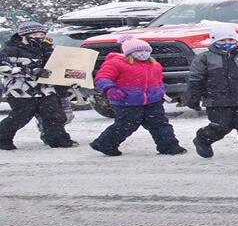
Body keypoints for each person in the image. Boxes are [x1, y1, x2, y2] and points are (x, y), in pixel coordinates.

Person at [89, 34, 186, 156]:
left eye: (146, 50)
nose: (143, 53)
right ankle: (105, 144)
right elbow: (102, 78)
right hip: (126, 101)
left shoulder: (154, 65)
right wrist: (110, 89)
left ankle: (169, 146)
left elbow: (158, 81)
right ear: (129, 53)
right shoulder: (116, 63)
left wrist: (160, 92)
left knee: (160, 124)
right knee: (125, 125)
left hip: (152, 101)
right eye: (139, 50)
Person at [186, 23, 238, 160]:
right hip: (216, 100)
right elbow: (196, 79)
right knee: (221, 126)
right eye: (222, 40)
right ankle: (203, 139)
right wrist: (193, 98)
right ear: (214, 41)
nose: (227, 43)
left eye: (231, 40)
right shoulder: (204, 58)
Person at [0, 21, 76, 150]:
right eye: (35, 34)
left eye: (42, 34)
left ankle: (58, 140)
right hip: (20, 90)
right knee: (20, 117)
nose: (39, 37)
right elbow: (3, 67)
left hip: (45, 89)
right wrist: (29, 71)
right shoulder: (10, 49)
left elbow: (58, 66)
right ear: (24, 35)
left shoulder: (45, 49)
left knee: (54, 115)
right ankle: (2, 139)